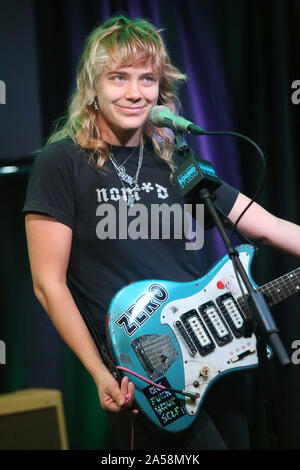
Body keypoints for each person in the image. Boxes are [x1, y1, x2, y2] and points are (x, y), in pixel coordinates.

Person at [23, 15, 300, 450]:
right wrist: (100, 373)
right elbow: (48, 283)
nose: (135, 92)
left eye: (146, 79)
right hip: (147, 380)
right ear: (92, 87)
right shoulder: (61, 163)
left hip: (216, 362)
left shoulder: (178, 164)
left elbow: (266, 227)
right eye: (118, 78)